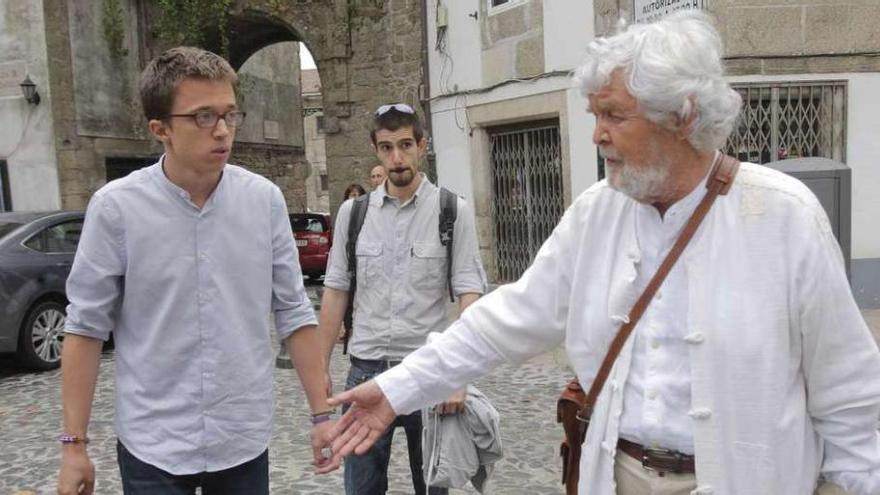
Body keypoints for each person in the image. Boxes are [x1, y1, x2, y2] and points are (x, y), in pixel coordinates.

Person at [322, 12, 880, 495]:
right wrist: (398, 389)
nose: (597, 135)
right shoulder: (597, 212)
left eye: (614, 115)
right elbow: (500, 322)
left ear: (681, 116)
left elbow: (850, 400)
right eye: (594, 116)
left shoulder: (784, 216)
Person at [56, 47, 334, 495]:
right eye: (203, 117)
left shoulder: (263, 201)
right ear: (160, 128)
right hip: (154, 444)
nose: (223, 131)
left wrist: (322, 415)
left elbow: (294, 312)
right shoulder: (116, 209)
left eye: (229, 114)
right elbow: (85, 328)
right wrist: (74, 447)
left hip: (241, 439)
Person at [317, 102, 487, 494]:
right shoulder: (353, 214)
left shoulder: (451, 211)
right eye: (387, 147)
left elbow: (469, 293)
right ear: (376, 150)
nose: (397, 157)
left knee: (431, 488)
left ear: (422, 145)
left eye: (406, 145)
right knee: (360, 488)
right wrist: (320, 366)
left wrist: (457, 375)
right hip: (365, 372)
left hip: (426, 374)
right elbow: (336, 292)